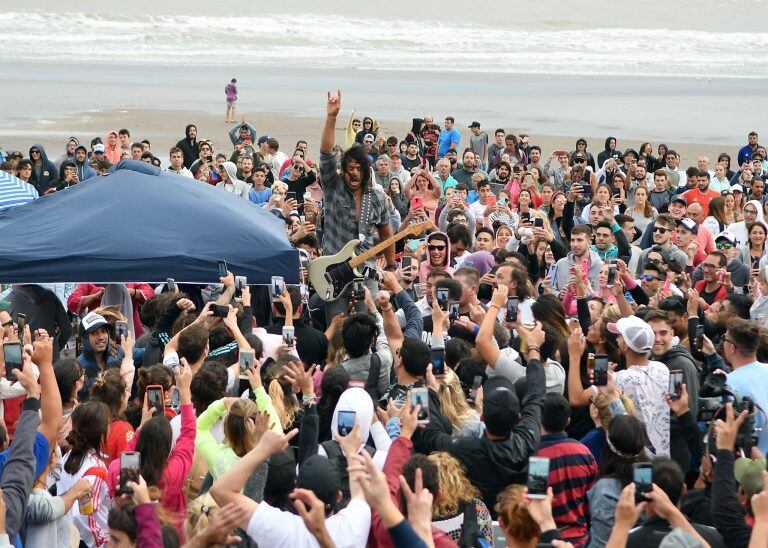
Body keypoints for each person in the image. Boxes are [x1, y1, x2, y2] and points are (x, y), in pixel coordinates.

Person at [320, 90, 395, 317]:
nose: (354, 174)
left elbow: (386, 234)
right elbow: (325, 153)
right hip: (334, 272)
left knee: (369, 324)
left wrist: (391, 265)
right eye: (349, 169)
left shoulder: (378, 197)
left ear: (366, 171)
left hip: (366, 271)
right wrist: (332, 118)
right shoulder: (333, 186)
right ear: (342, 171)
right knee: (337, 325)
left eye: (358, 170)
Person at [535, 393, 596, 546]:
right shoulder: (584, 452)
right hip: (580, 538)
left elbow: (535, 505)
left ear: (538, 420)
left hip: (544, 539)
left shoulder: (535, 457)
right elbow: (591, 503)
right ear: (568, 421)